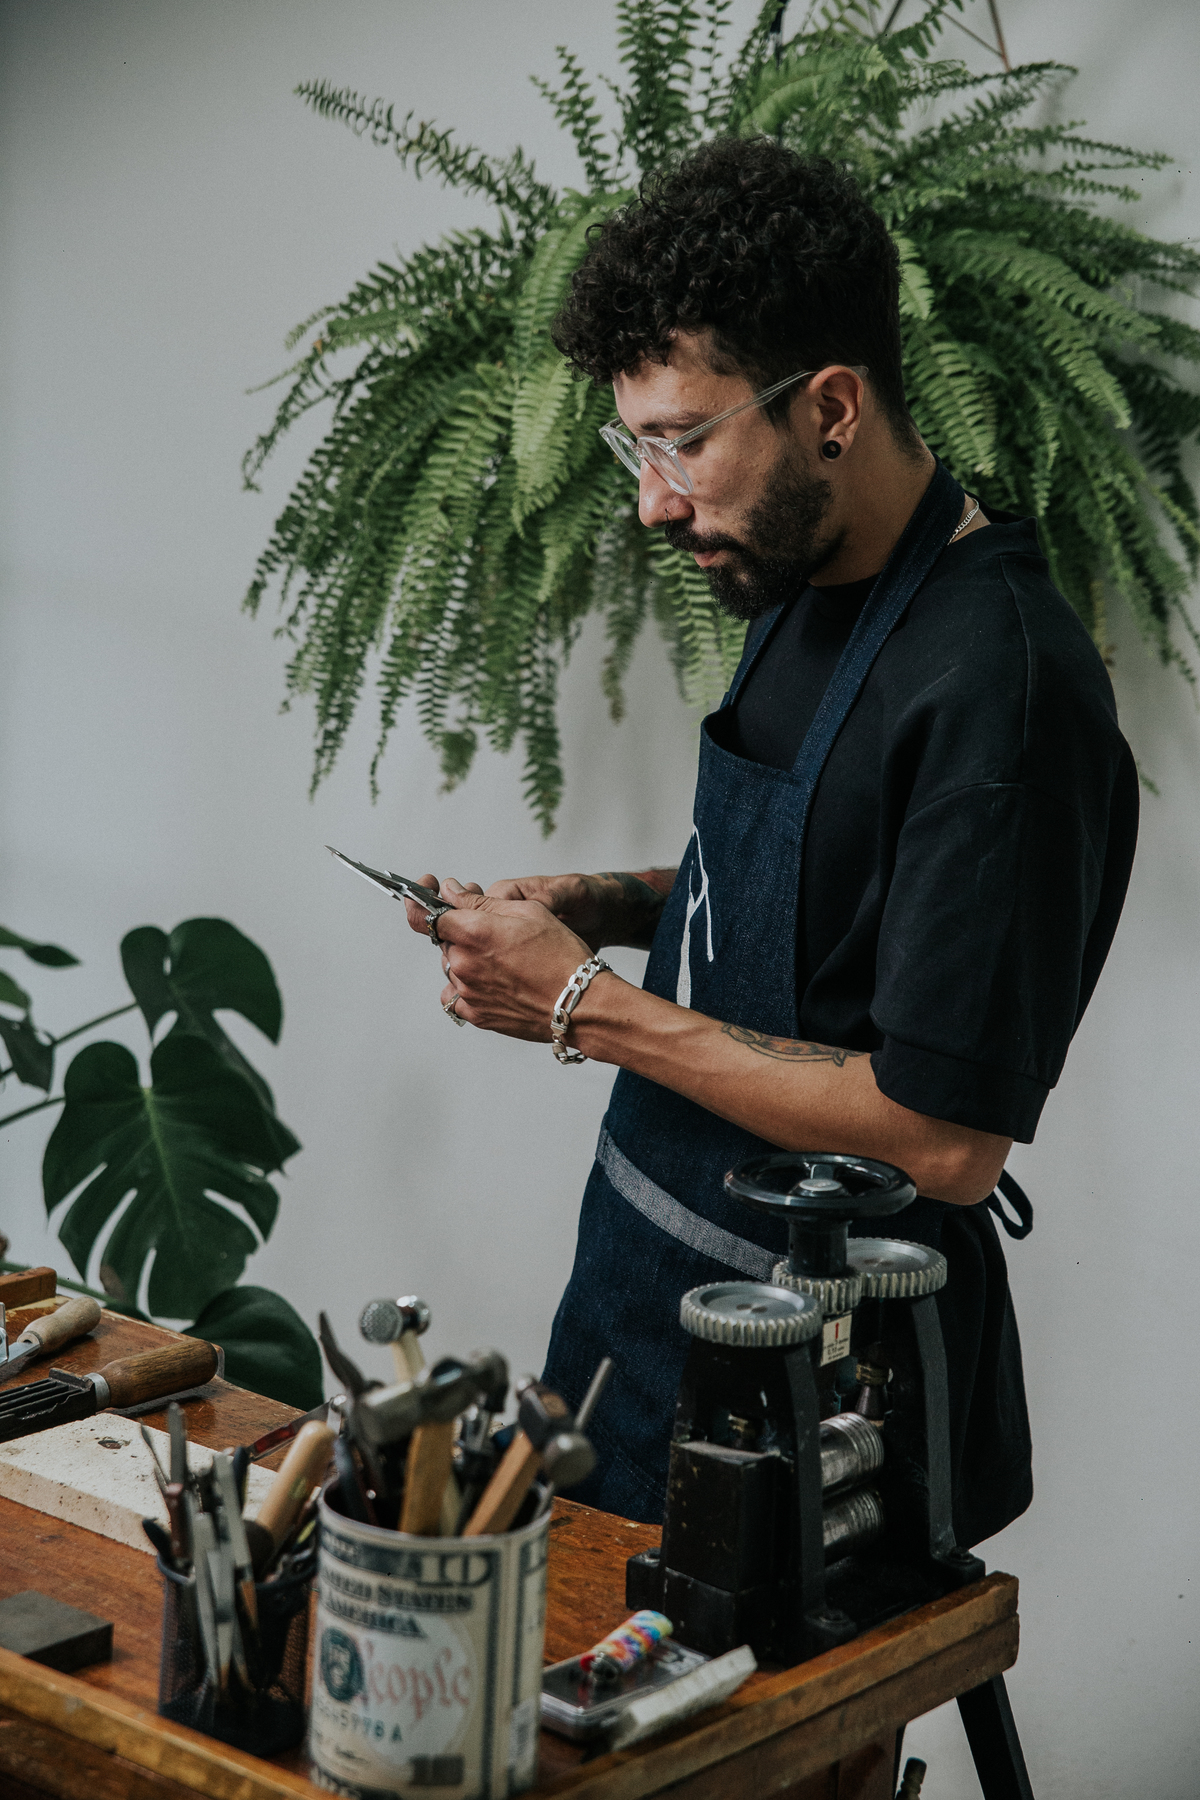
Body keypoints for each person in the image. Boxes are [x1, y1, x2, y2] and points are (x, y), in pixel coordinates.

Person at [404, 140, 1139, 1544]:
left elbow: (943, 1137)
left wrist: (577, 1004)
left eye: (682, 440)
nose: (650, 499)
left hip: (827, 1398)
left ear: (833, 409)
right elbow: (813, 882)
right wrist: (598, 903)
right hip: (642, 1302)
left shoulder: (1003, 691)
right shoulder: (796, 574)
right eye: (635, 444)